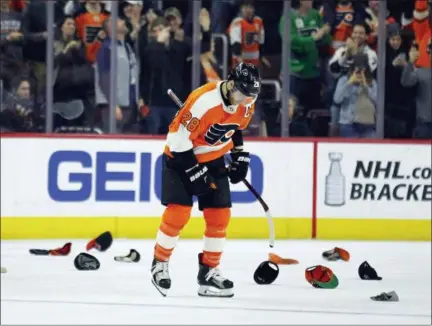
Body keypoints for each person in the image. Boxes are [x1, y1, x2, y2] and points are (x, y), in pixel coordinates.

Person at [151, 63, 261, 298]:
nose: (245, 101)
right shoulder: (202, 101)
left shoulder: (246, 101)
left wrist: (239, 154)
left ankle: (209, 272)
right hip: (180, 157)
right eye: (242, 94)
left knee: (220, 214)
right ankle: (159, 263)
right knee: (178, 212)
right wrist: (193, 171)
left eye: (249, 97)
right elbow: (177, 138)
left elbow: (235, 127)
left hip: (213, 158)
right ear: (231, 83)